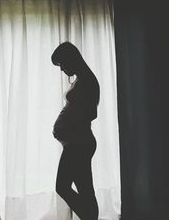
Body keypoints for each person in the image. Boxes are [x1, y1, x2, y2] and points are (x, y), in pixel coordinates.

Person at [51, 42, 100, 220]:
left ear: (71, 59)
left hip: (79, 144)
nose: (62, 69)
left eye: (62, 64)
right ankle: (89, 216)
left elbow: (91, 113)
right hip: (76, 143)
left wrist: (69, 128)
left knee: (63, 187)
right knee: (86, 190)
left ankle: (89, 217)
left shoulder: (87, 80)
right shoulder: (82, 78)